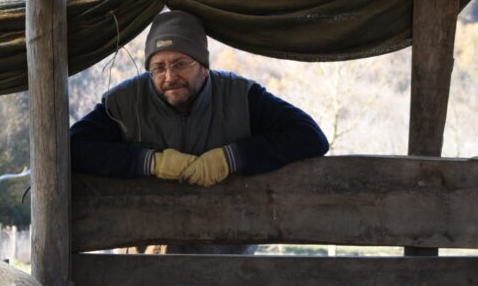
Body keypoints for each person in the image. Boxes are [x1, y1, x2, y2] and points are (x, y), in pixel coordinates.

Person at [69, 10, 329, 185]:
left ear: (204, 67)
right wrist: (150, 162)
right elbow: (73, 148)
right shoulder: (124, 103)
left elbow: (310, 137)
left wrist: (231, 158)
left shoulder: (241, 96)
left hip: (229, 246)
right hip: (146, 247)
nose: (169, 76)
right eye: (158, 68)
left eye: (180, 63)